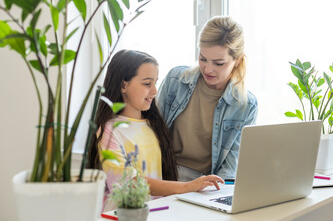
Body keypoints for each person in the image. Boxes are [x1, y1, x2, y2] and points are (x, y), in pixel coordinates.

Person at [87, 49, 224, 211]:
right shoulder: (109, 130)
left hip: (156, 212)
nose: (155, 91)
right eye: (147, 83)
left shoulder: (154, 124)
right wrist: (187, 186)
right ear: (124, 85)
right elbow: (127, 183)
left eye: (155, 82)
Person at [157, 16, 258, 181]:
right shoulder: (176, 80)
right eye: (203, 59)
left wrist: (212, 193)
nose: (208, 69)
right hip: (164, 174)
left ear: (237, 61)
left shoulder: (246, 105)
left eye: (219, 63)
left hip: (208, 183)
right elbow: (152, 132)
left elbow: (231, 167)